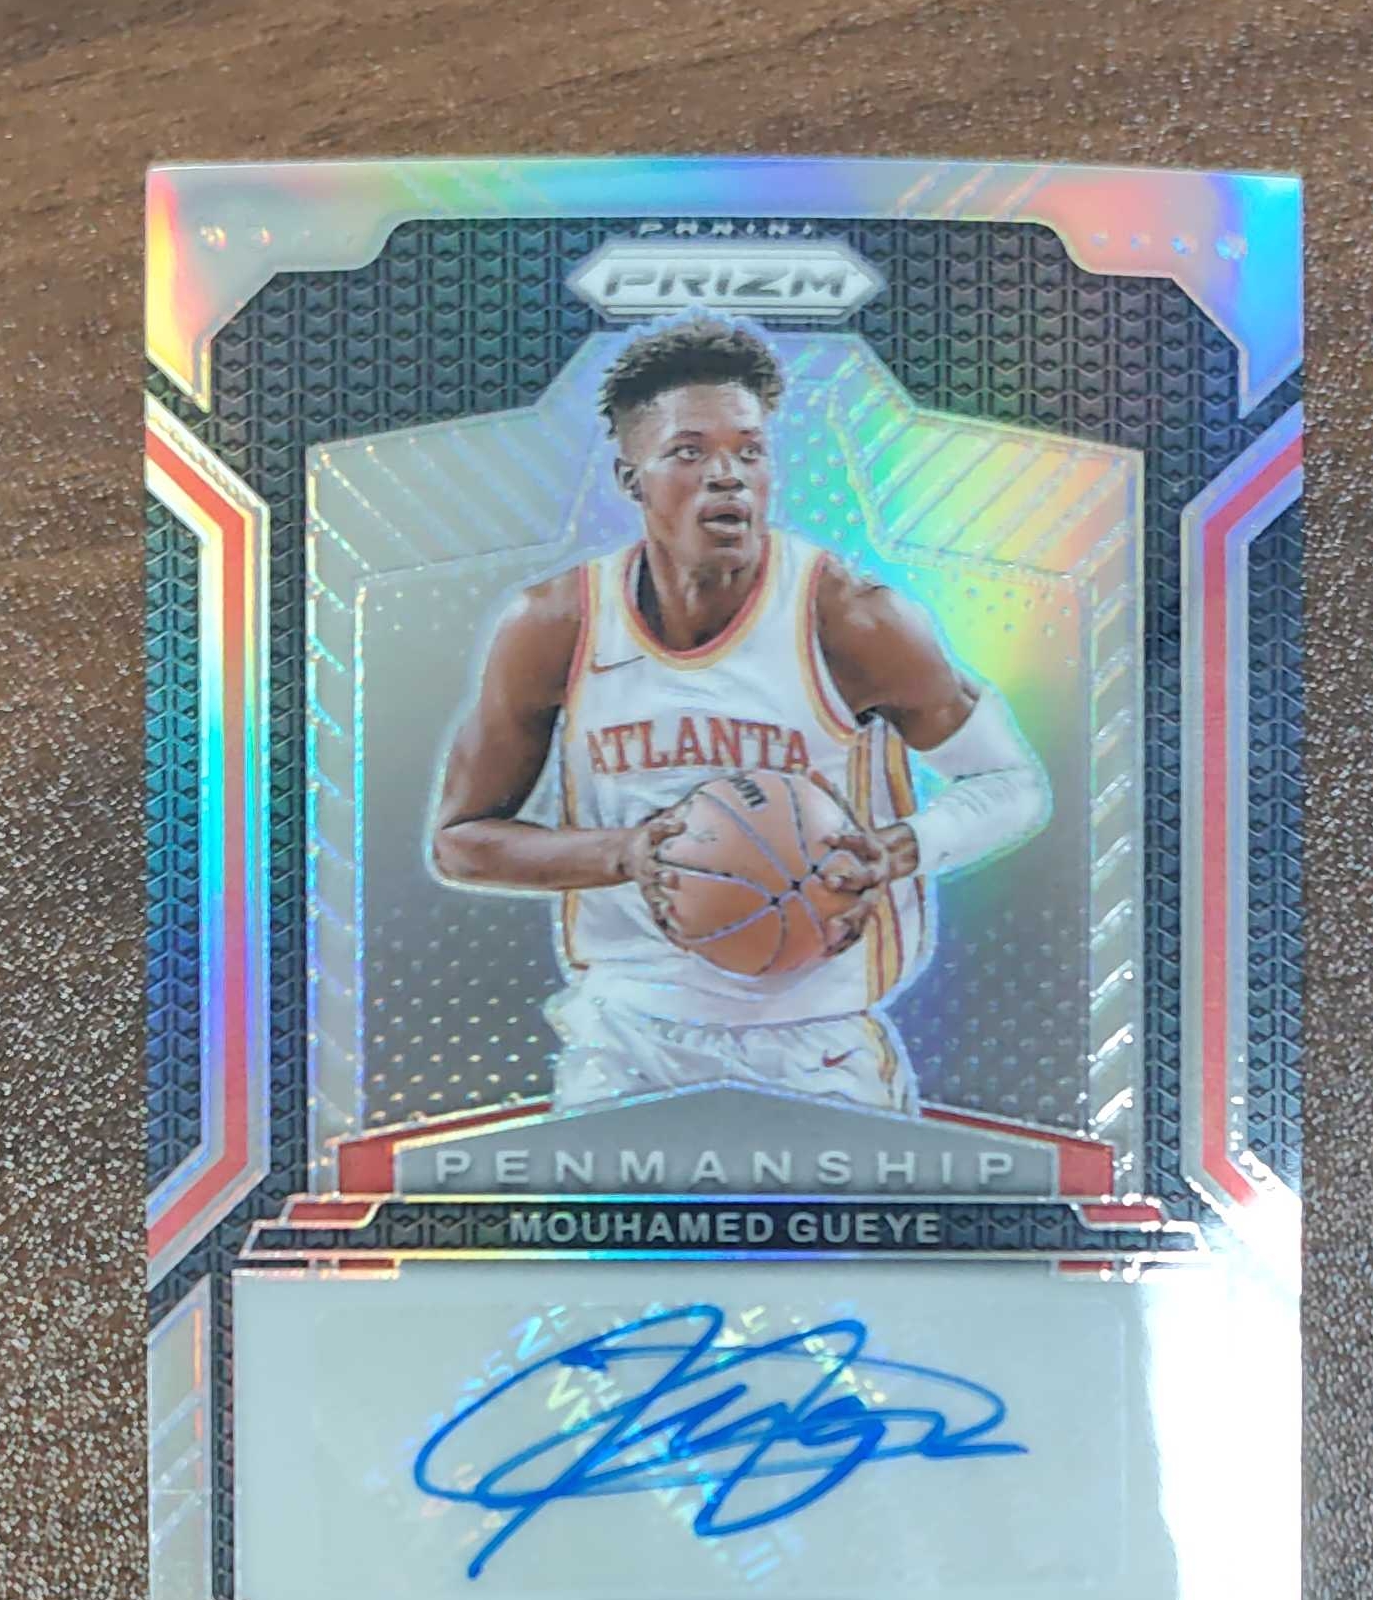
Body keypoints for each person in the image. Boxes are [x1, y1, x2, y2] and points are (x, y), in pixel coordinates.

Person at [430, 316, 1048, 1113]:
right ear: (631, 479)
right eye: (690, 452)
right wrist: (626, 854)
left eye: (749, 452)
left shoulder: (854, 620)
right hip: (626, 1035)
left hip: (818, 1041)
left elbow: (1012, 785)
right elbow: (461, 841)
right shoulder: (555, 624)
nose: (727, 477)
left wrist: (901, 848)